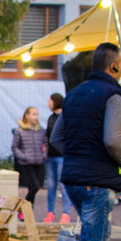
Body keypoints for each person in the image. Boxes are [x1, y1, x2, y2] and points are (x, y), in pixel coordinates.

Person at [49, 43, 121, 241]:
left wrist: (77, 154)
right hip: (98, 182)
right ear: (113, 66)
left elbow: (56, 138)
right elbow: (112, 140)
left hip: (73, 178)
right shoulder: (113, 95)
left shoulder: (74, 94)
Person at [12, 106, 48, 207]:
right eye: (34, 114)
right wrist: (23, 156)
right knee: (35, 186)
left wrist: (43, 156)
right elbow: (15, 147)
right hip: (27, 163)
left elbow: (45, 144)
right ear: (27, 116)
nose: (36, 117)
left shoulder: (40, 131)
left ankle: (28, 212)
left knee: (33, 187)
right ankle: (24, 208)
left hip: (38, 162)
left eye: (37, 114)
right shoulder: (20, 131)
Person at [44, 93, 70, 223]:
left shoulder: (66, 117)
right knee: (51, 185)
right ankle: (50, 212)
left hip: (61, 156)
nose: (48, 104)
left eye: (50, 101)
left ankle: (66, 213)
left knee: (63, 185)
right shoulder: (50, 118)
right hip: (50, 156)